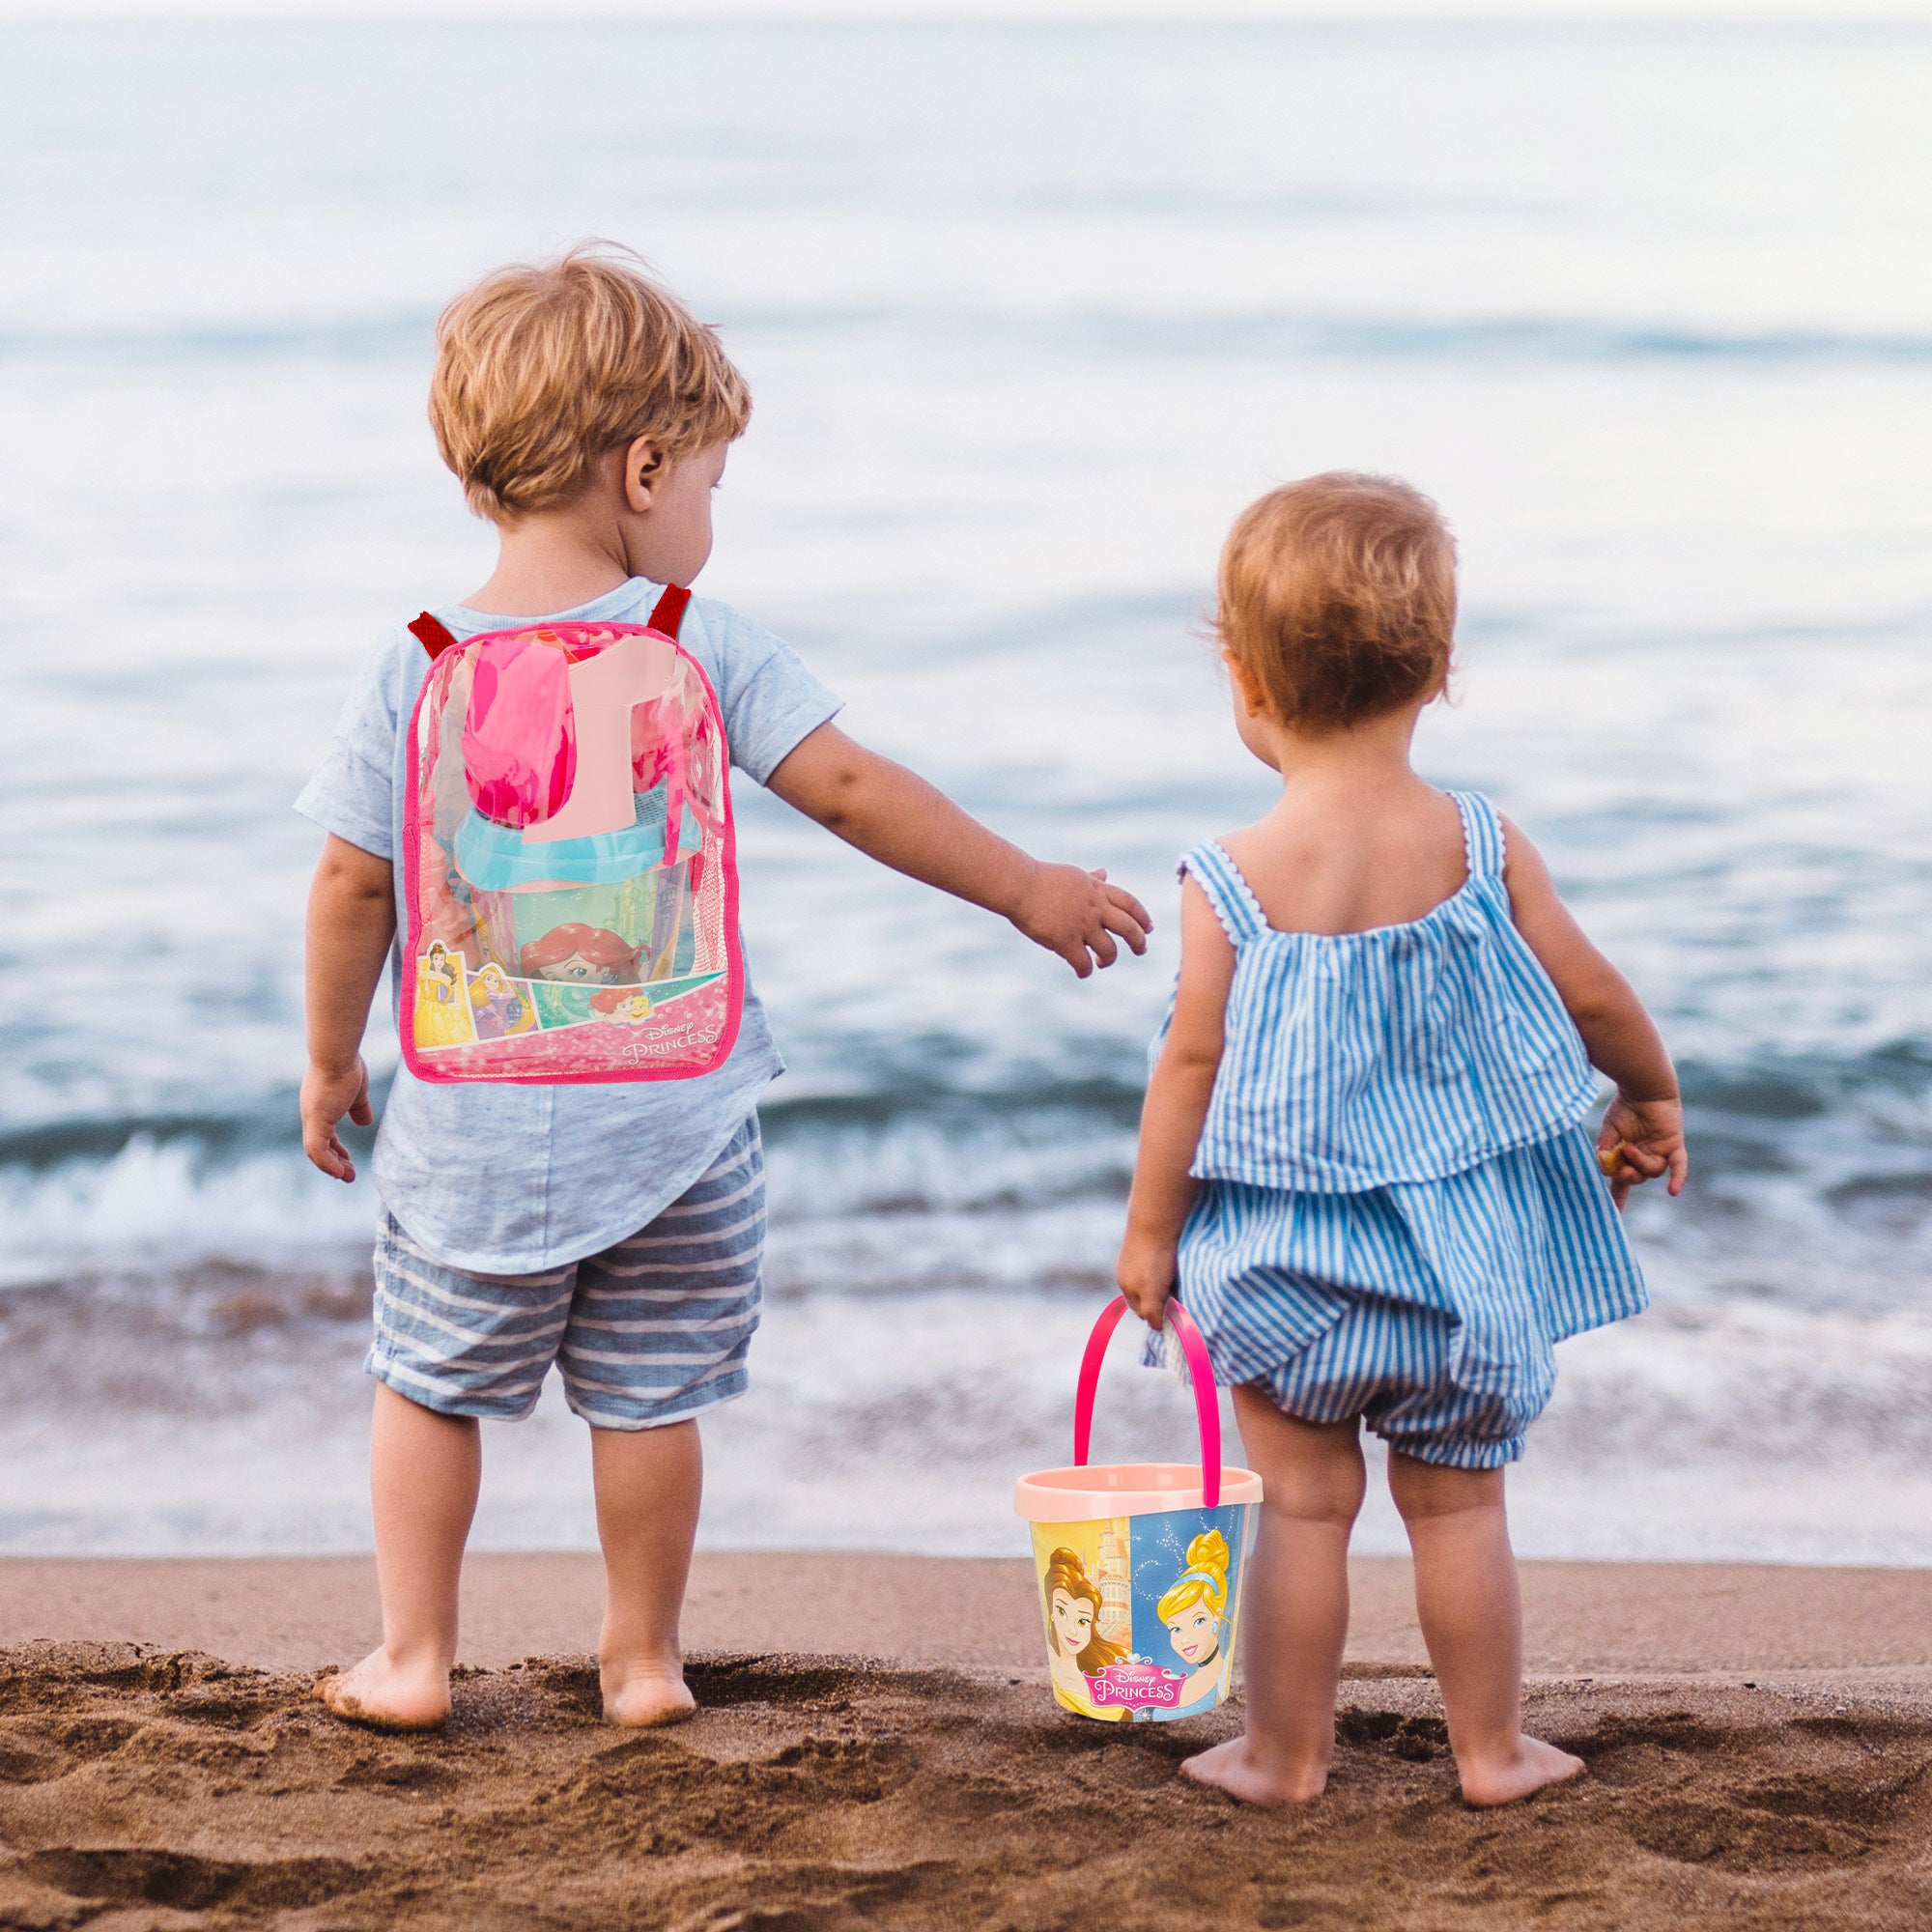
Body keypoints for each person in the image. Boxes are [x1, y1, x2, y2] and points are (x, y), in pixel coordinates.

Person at [298, 244, 1151, 1735]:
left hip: (475, 1127)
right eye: (706, 478)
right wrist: (1028, 888)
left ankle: (414, 1656)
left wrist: (329, 1061)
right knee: (645, 1399)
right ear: (641, 469)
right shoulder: (696, 642)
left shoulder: (414, 661)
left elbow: (353, 885)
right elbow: (851, 789)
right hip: (678, 1124)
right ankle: (640, 1663)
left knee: (430, 1387)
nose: (708, 512)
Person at [1115, 473, 1686, 1808]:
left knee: (1304, 1511)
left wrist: (1149, 1234)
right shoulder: (1481, 847)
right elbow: (1594, 996)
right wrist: (1649, 1098)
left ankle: (1284, 1754)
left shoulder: (1231, 880)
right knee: (1459, 1510)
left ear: (1245, 680)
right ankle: (1491, 1753)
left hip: (1290, 1276)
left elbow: (1186, 1072)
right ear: (1438, 671)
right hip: (1465, 1275)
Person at [1041, 1546, 1130, 1722]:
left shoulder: (1104, 1665)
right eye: (1061, 1612)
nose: (1072, 1630)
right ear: (1051, 1611)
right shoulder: (1058, 1669)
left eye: (1082, 1622)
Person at [1155, 1528, 1233, 1717]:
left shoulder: (1220, 1679)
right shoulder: (1176, 1686)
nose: (1185, 1639)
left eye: (1199, 1621)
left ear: (1217, 1615)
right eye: (1175, 1629)